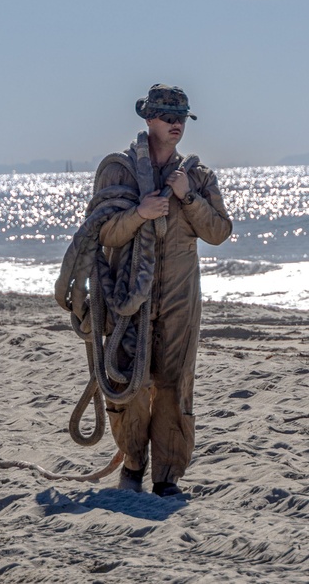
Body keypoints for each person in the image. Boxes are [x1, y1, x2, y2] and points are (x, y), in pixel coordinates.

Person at [97, 84, 232, 496]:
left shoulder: (197, 175)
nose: (176, 125)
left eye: (182, 119)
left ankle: (167, 477)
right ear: (148, 118)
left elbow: (219, 233)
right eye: (168, 117)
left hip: (179, 298)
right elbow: (104, 233)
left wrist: (186, 196)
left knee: (175, 385)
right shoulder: (117, 170)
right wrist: (140, 214)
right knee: (129, 382)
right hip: (128, 300)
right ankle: (134, 465)